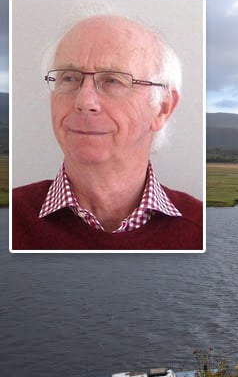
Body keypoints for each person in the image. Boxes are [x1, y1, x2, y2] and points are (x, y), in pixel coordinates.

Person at [11, 13, 203, 251]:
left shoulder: (201, 230)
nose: (84, 101)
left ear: (162, 108)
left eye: (112, 80)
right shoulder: (12, 216)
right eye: (69, 78)